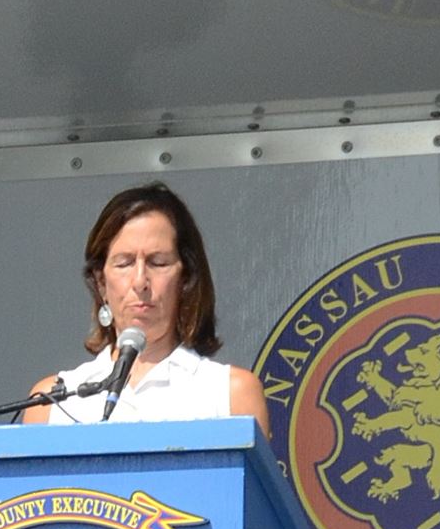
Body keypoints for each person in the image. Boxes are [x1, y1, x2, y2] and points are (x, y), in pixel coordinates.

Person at [23, 183, 270, 432]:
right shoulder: (52, 402)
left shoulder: (229, 393)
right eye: (124, 264)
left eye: (158, 263)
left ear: (186, 279)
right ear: (101, 283)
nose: (140, 281)